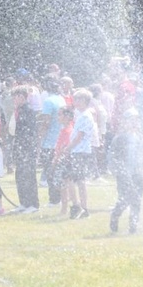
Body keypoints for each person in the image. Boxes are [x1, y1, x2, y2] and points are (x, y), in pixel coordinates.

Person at [108, 109, 143, 234]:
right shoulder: (119, 138)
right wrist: (116, 169)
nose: (134, 123)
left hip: (138, 173)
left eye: (136, 120)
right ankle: (115, 214)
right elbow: (112, 156)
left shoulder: (141, 137)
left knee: (137, 199)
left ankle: (133, 226)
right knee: (124, 199)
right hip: (124, 174)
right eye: (131, 120)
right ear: (124, 122)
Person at [63, 89, 95, 219]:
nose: (75, 102)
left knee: (78, 180)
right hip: (78, 151)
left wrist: (68, 148)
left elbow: (79, 137)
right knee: (72, 179)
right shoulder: (80, 114)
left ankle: (82, 207)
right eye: (75, 99)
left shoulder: (86, 116)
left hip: (80, 151)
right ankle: (78, 206)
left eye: (78, 100)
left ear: (85, 101)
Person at [10, 86, 39, 213]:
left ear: (22, 97)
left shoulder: (29, 111)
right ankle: (23, 202)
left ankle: (33, 204)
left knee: (29, 175)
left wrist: (28, 147)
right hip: (19, 146)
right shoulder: (18, 110)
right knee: (20, 174)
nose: (13, 100)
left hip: (28, 148)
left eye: (15, 97)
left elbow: (31, 132)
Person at [38, 76, 66, 203]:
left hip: (49, 142)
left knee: (50, 172)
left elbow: (46, 122)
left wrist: (39, 137)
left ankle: (53, 200)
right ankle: (60, 198)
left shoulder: (48, 102)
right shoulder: (62, 99)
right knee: (58, 172)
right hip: (60, 140)